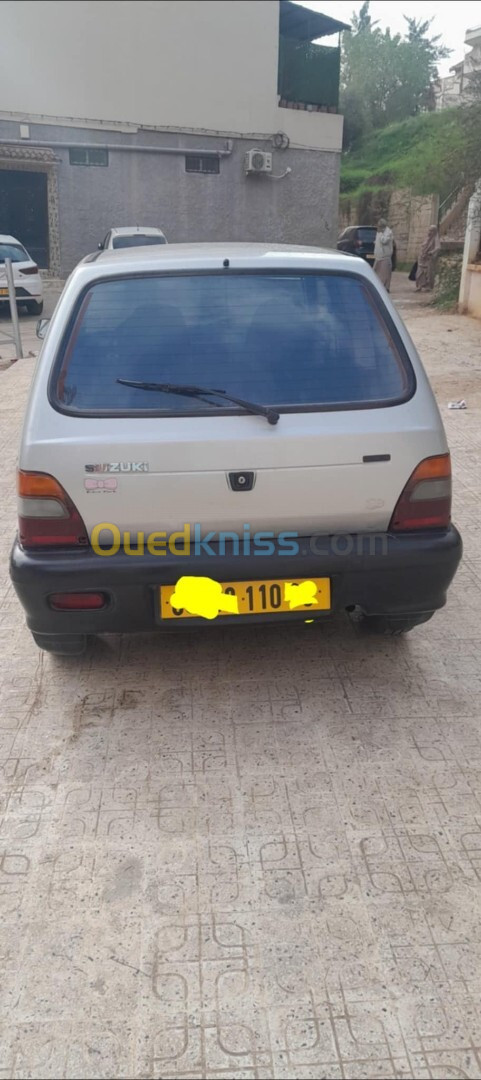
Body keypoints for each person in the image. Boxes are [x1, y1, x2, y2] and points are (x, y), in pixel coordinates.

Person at [416, 225, 441, 291]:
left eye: (431, 231)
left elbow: (438, 247)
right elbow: (422, 246)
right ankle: (419, 286)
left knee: (428, 273)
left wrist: (432, 252)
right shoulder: (427, 238)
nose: (430, 232)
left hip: (429, 258)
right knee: (419, 273)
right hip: (422, 258)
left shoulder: (435, 239)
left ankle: (428, 286)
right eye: (429, 230)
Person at [373, 218, 395, 292]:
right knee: (377, 271)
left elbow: (384, 241)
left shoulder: (388, 232)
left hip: (385, 256)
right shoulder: (379, 232)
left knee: (385, 273)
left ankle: (385, 287)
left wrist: (381, 234)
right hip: (378, 256)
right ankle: (378, 286)